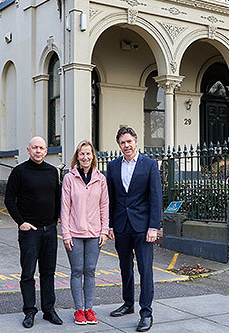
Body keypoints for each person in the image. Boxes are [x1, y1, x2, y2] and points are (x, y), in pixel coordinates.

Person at [106, 126, 162, 332]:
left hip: (143, 227)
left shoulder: (150, 165)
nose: (126, 145)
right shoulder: (112, 166)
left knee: (145, 270)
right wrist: (110, 225)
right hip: (121, 226)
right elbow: (110, 199)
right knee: (125, 267)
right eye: (122, 143)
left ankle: (146, 312)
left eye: (129, 141)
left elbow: (156, 198)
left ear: (136, 142)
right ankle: (128, 303)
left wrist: (154, 227)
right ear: (119, 145)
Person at [4, 136, 63, 328]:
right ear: (28, 150)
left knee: (48, 272)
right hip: (30, 232)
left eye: (42, 148)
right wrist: (21, 223)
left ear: (46, 151)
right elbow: (9, 200)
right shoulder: (19, 172)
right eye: (35, 148)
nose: (38, 151)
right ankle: (29, 311)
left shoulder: (53, 172)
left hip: (49, 231)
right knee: (28, 273)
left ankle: (49, 310)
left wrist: (55, 220)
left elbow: (58, 197)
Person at [61, 140, 109, 326]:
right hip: (74, 232)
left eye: (88, 154)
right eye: (82, 154)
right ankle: (78, 309)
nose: (85, 157)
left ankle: (89, 309)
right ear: (77, 157)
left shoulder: (100, 179)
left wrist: (104, 231)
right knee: (76, 271)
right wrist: (66, 234)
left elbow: (104, 206)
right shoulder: (69, 178)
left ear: (93, 156)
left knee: (90, 271)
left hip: (95, 234)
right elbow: (65, 209)